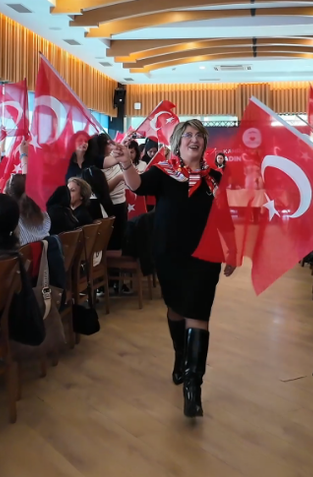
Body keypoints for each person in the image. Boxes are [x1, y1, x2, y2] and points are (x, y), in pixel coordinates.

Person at [118, 120, 233, 418]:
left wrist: (232, 251)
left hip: (206, 256)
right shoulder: (163, 172)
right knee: (176, 310)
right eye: (188, 135)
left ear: (204, 144)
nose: (194, 140)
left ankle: (193, 386)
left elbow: (224, 216)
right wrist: (127, 163)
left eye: (199, 136)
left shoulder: (215, 178)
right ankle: (180, 354)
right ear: (178, 143)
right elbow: (136, 185)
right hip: (169, 255)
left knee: (198, 313)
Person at [5, 174, 50, 246]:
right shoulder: (44, 214)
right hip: (46, 251)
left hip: (22, 252)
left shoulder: (11, 221)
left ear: (7, 196)